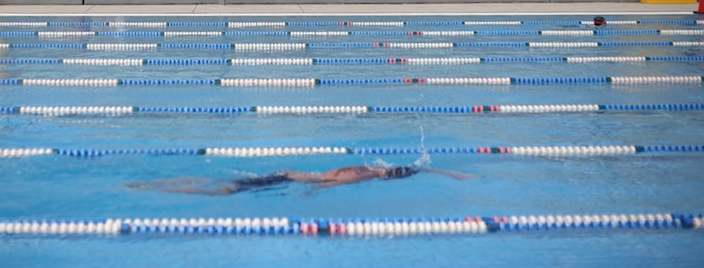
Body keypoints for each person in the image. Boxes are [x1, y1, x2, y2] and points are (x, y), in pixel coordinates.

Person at [127, 163, 479, 195]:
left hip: (288, 177)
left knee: (224, 184)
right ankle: (152, 185)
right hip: (290, 182)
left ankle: (157, 183)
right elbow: (336, 181)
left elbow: (419, 167)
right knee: (222, 192)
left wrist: (451, 172)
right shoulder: (367, 175)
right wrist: (316, 195)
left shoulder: (370, 166)